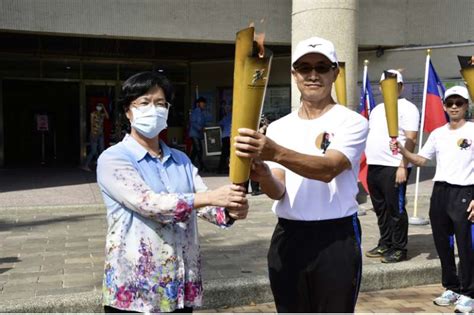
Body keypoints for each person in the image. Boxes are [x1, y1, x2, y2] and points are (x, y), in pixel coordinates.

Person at [234, 36, 368, 312]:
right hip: (289, 235)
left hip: (336, 237)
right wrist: (264, 175)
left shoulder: (352, 122)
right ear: (294, 74)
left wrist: (275, 153)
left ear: (335, 72)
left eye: (321, 67)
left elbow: (329, 169)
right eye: (304, 68)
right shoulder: (280, 127)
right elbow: (278, 190)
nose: (313, 75)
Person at [96, 71, 249, 313]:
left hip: (178, 285)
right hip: (136, 289)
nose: (153, 109)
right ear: (128, 110)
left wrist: (230, 208)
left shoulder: (181, 160)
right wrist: (210, 197)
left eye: (160, 103)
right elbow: (149, 204)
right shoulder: (113, 158)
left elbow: (206, 205)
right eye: (144, 102)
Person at [391, 85, 474, 313]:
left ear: (466, 105)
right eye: (450, 103)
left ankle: (469, 293)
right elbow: (421, 160)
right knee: (443, 245)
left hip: (465, 192)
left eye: (459, 103)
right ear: (444, 106)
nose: (454, 107)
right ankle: (452, 287)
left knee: (466, 245)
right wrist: (403, 151)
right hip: (440, 193)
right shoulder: (438, 133)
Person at [364, 69, 420, 263]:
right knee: (380, 208)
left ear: (401, 87)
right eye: (384, 86)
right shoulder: (378, 109)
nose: (389, 89)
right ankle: (385, 242)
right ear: (380, 88)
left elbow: (411, 138)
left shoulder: (408, 108)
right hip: (375, 165)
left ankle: (399, 248)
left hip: (394, 166)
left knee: (396, 209)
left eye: (394, 86)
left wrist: (403, 166)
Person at [82, 102, 109, 171]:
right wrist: (92, 134)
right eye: (98, 106)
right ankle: (85, 165)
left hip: (100, 134)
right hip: (94, 134)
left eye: (100, 106)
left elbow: (107, 116)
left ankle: (101, 164)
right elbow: (91, 124)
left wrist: (104, 107)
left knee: (102, 150)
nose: (99, 107)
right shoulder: (93, 113)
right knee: (93, 151)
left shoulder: (101, 114)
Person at [189, 96, 208, 172]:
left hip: (199, 135)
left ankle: (189, 164)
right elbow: (192, 122)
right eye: (203, 103)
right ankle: (202, 165)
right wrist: (200, 128)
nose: (204, 105)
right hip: (194, 134)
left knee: (195, 151)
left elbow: (203, 123)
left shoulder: (202, 113)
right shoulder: (195, 112)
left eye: (204, 103)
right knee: (199, 149)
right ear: (199, 104)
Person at [217, 102, 231, 174]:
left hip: (224, 137)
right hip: (230, 137)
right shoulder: (233, 116)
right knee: (230, 153)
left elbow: (219, 124)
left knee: (224, 154)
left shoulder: (225, 117)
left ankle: (220, 169)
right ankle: (227, 168)